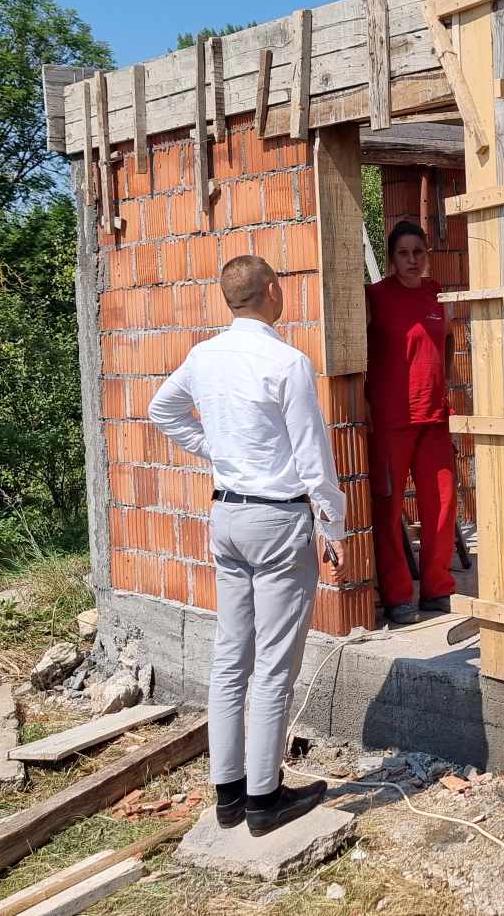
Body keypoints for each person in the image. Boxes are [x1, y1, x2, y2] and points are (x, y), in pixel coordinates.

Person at [148, 255, 339, 835]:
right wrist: (333, 523)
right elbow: (312, 454)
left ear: (228, 299)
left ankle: (227, 795)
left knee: (231, 659)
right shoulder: (287, 362)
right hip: (277, 521)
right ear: (273, 292)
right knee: (274, 666)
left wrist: (220, 452)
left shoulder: (205, 356)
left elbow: (162, 410)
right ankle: (264, 800)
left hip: (227, 517)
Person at [364, 220, 459, 627]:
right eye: (403, 253)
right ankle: (399, 596)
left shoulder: (437, 295)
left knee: (442, 505)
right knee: (388, 511)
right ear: (391, 258)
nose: (412, 260)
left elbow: (449, 341)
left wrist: (445, 384)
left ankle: (437, 588)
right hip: (390, 421)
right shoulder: (375, 297)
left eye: (418, 252)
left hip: (435, 419)